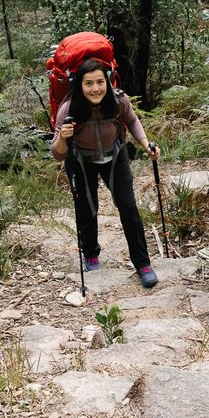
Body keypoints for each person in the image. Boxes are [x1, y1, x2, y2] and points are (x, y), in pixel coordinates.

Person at [51, 58, 160, 288]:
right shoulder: (69, 108)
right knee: (87, 208)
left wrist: (146, 144)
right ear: (79, 85)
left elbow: (132, 120)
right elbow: (58, 154)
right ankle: (90, 254)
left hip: (115, 155)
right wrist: (63, 137)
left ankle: (143, 263)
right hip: (80, 160)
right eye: (89, 83)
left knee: (128, 207)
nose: (95, 88)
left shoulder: (118, 99)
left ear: (107, 81)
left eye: (100, 82)